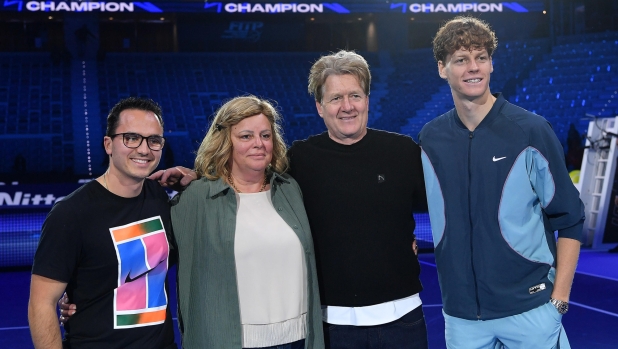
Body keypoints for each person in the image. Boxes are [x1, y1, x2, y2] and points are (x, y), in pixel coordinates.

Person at [418, 16, 585, 348]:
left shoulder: (531, 130)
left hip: (532, 312)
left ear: (491, 64)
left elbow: (571, 219)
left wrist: (559, 302)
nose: (473, 67)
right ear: (442, 68)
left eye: (481, 57)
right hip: (462, 319)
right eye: (461, 60)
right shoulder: (431, 138)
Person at [287, 50, 428, 348]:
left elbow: (448, 204)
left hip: (403, 319)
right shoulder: (299, 159)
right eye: (336, 98)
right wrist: (197, 178)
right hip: (332, 325)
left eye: (355, 95)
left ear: (367, 100)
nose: (347, 106)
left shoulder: (403, 152)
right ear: (319, 107)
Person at [169, 96, 325, 348]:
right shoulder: (196, 197)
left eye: (265, 135)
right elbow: (154, 257)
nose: (259, 144)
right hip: (229, 341)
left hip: (298, 339)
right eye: (246, 136)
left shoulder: (289, 189)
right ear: (225, 142)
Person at [28, 97, 180, 348]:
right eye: (131, 138)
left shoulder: (160, 199)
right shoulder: (71, 213)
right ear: (108, 144)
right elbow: (41, 304)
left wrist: (192, 176)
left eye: (154, 141)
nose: (144, 149)